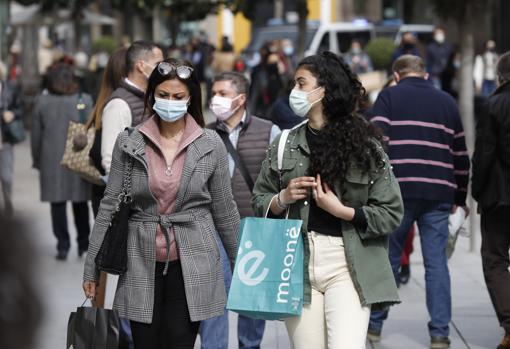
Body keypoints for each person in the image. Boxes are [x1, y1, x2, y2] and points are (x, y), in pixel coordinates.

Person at [83, 58, 240, 349]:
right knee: (144, 343)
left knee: (180, 341)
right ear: (152, 96)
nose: (170, 102)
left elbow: (225, 209)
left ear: (191, 98)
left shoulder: (210, 144)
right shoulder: (129, 142)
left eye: (178, 97)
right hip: (141, 259)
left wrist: (240, 267)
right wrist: (91, 266)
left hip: (193, 258)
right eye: (163, 95)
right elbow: (109, 206)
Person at [251, 51, 403, 349]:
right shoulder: (284, 143)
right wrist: (282, 198)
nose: (294, 92)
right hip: (295, 263)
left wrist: (343, 211)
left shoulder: (365, 147)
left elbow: (391, 212)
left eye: (301, 84)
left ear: (325, 90)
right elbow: (259, 198)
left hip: (348, 262)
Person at [369, 55, 470, 349]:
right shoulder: (447, 102)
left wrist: (376, 188)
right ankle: (440, 333)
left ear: (396, 75)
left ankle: (374, 326)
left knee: (387, 259)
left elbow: (376, 143)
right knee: (436, 264)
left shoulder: (388, 96)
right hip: (439, 192)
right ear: (425, 75)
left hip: (398, 191)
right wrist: (459, 197)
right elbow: (461, 155)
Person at [201, 72, 280, 349]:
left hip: (254, 225)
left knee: (252, 295)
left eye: (222, 93)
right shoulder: (205, 133)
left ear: (241, 98)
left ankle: (250, 345)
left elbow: (279, 177)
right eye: (214, 93)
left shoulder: (268, 131)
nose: (215, 99)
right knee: (214, 294)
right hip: (212, 227)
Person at [31, 62, 94, 261]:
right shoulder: (84, 99)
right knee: (80, 202)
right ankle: (83, 244)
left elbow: (35, 135)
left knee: (57, 204)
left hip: (51, 159)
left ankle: (62, 245)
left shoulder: (41, 102)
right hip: (78, 158)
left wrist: (37, 158)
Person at [472, 51, 510, 349]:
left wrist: (476, 190)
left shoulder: (493, 104)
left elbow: (484, 153)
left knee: (495, 260)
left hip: (500, 197)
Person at [101, 41, 163, 176]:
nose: (162, 70)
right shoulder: (119, 104)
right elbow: (111, 158)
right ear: (141, 66)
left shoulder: (152, 97)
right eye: (158, 65)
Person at [88, 47, 127, 217]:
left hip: (101, 192)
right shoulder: (117, 106)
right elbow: (101, 155)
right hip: (110, 197)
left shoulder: (104, 101)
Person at [0, 61, 23, 217]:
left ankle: (8, 202)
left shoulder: (10, 88)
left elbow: (20, 108)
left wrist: (12, 114)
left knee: (6, 176)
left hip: (5, 139)